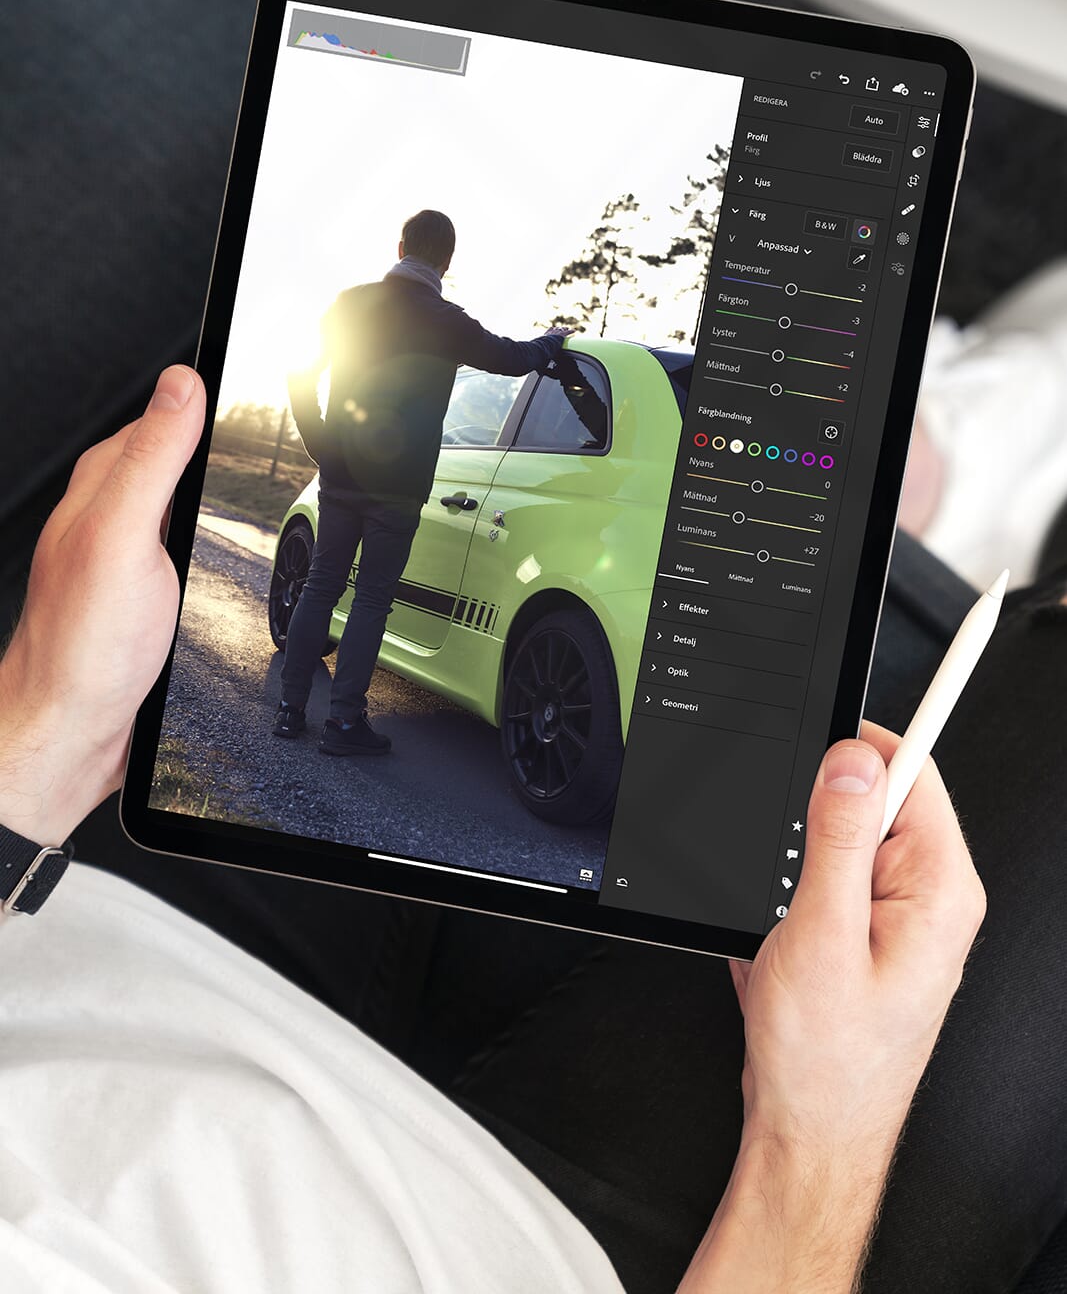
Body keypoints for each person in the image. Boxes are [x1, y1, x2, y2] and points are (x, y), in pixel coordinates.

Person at [4, 357, 1066, 1294]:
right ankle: (968, 461)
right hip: (588, 1234)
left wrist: (43, 742)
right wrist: (820, 1135)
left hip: (95, 948)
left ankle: (939, 465)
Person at [276, 208, 569, 756]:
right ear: (446, 260)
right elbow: (513, 358)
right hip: (399, 489)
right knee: (371, 601)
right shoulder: (447, 321)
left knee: (321, 584)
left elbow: (301, 375)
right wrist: (552, 340)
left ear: (401, 245)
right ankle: (343, 726)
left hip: (341, 478)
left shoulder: (349, 303)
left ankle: (291, 710)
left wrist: (323, 447)